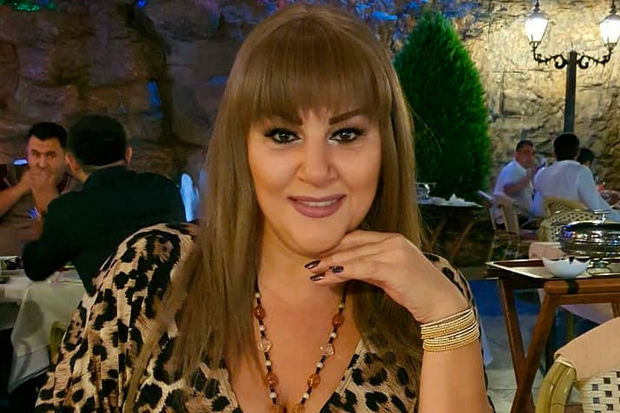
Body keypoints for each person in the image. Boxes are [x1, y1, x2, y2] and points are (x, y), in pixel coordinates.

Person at [36, 5, 492, 413]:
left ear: (386, 149)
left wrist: (446, 317)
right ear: (244, 149)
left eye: (346, 134)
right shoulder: (151, 271)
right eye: (283, 135)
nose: (316, 170)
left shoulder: (431, 291)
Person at [22, 115, 186, 294]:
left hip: (114, 311)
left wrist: (46, 212)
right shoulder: (165, 189)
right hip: (175, 307)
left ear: (72, 162)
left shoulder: (70, 210)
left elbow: (36, 269)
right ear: (128, 155)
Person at [0, 122, 78, 256]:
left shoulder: (78, 189)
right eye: (35, 154)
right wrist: (19, 189)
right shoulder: (7, 175)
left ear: (66, 158)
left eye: (50, 155)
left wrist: (50, 204)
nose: (42, 164)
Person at [531, 133, 620, 221]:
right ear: (578, 153)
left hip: (552, 226)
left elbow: (537, 209)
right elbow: (596, 206)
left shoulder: (541, 174)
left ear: (554, 153)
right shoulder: (581, 171)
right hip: (579, 226)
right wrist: (616, 216)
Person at [492, 139, 536, 223]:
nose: (530, 157)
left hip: (513, 218)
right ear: (517, 154)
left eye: (532, 154)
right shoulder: (513, 170)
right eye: (526, 153)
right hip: (514, 220)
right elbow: (508, 189)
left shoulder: (517, 169)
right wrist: (528, 178)